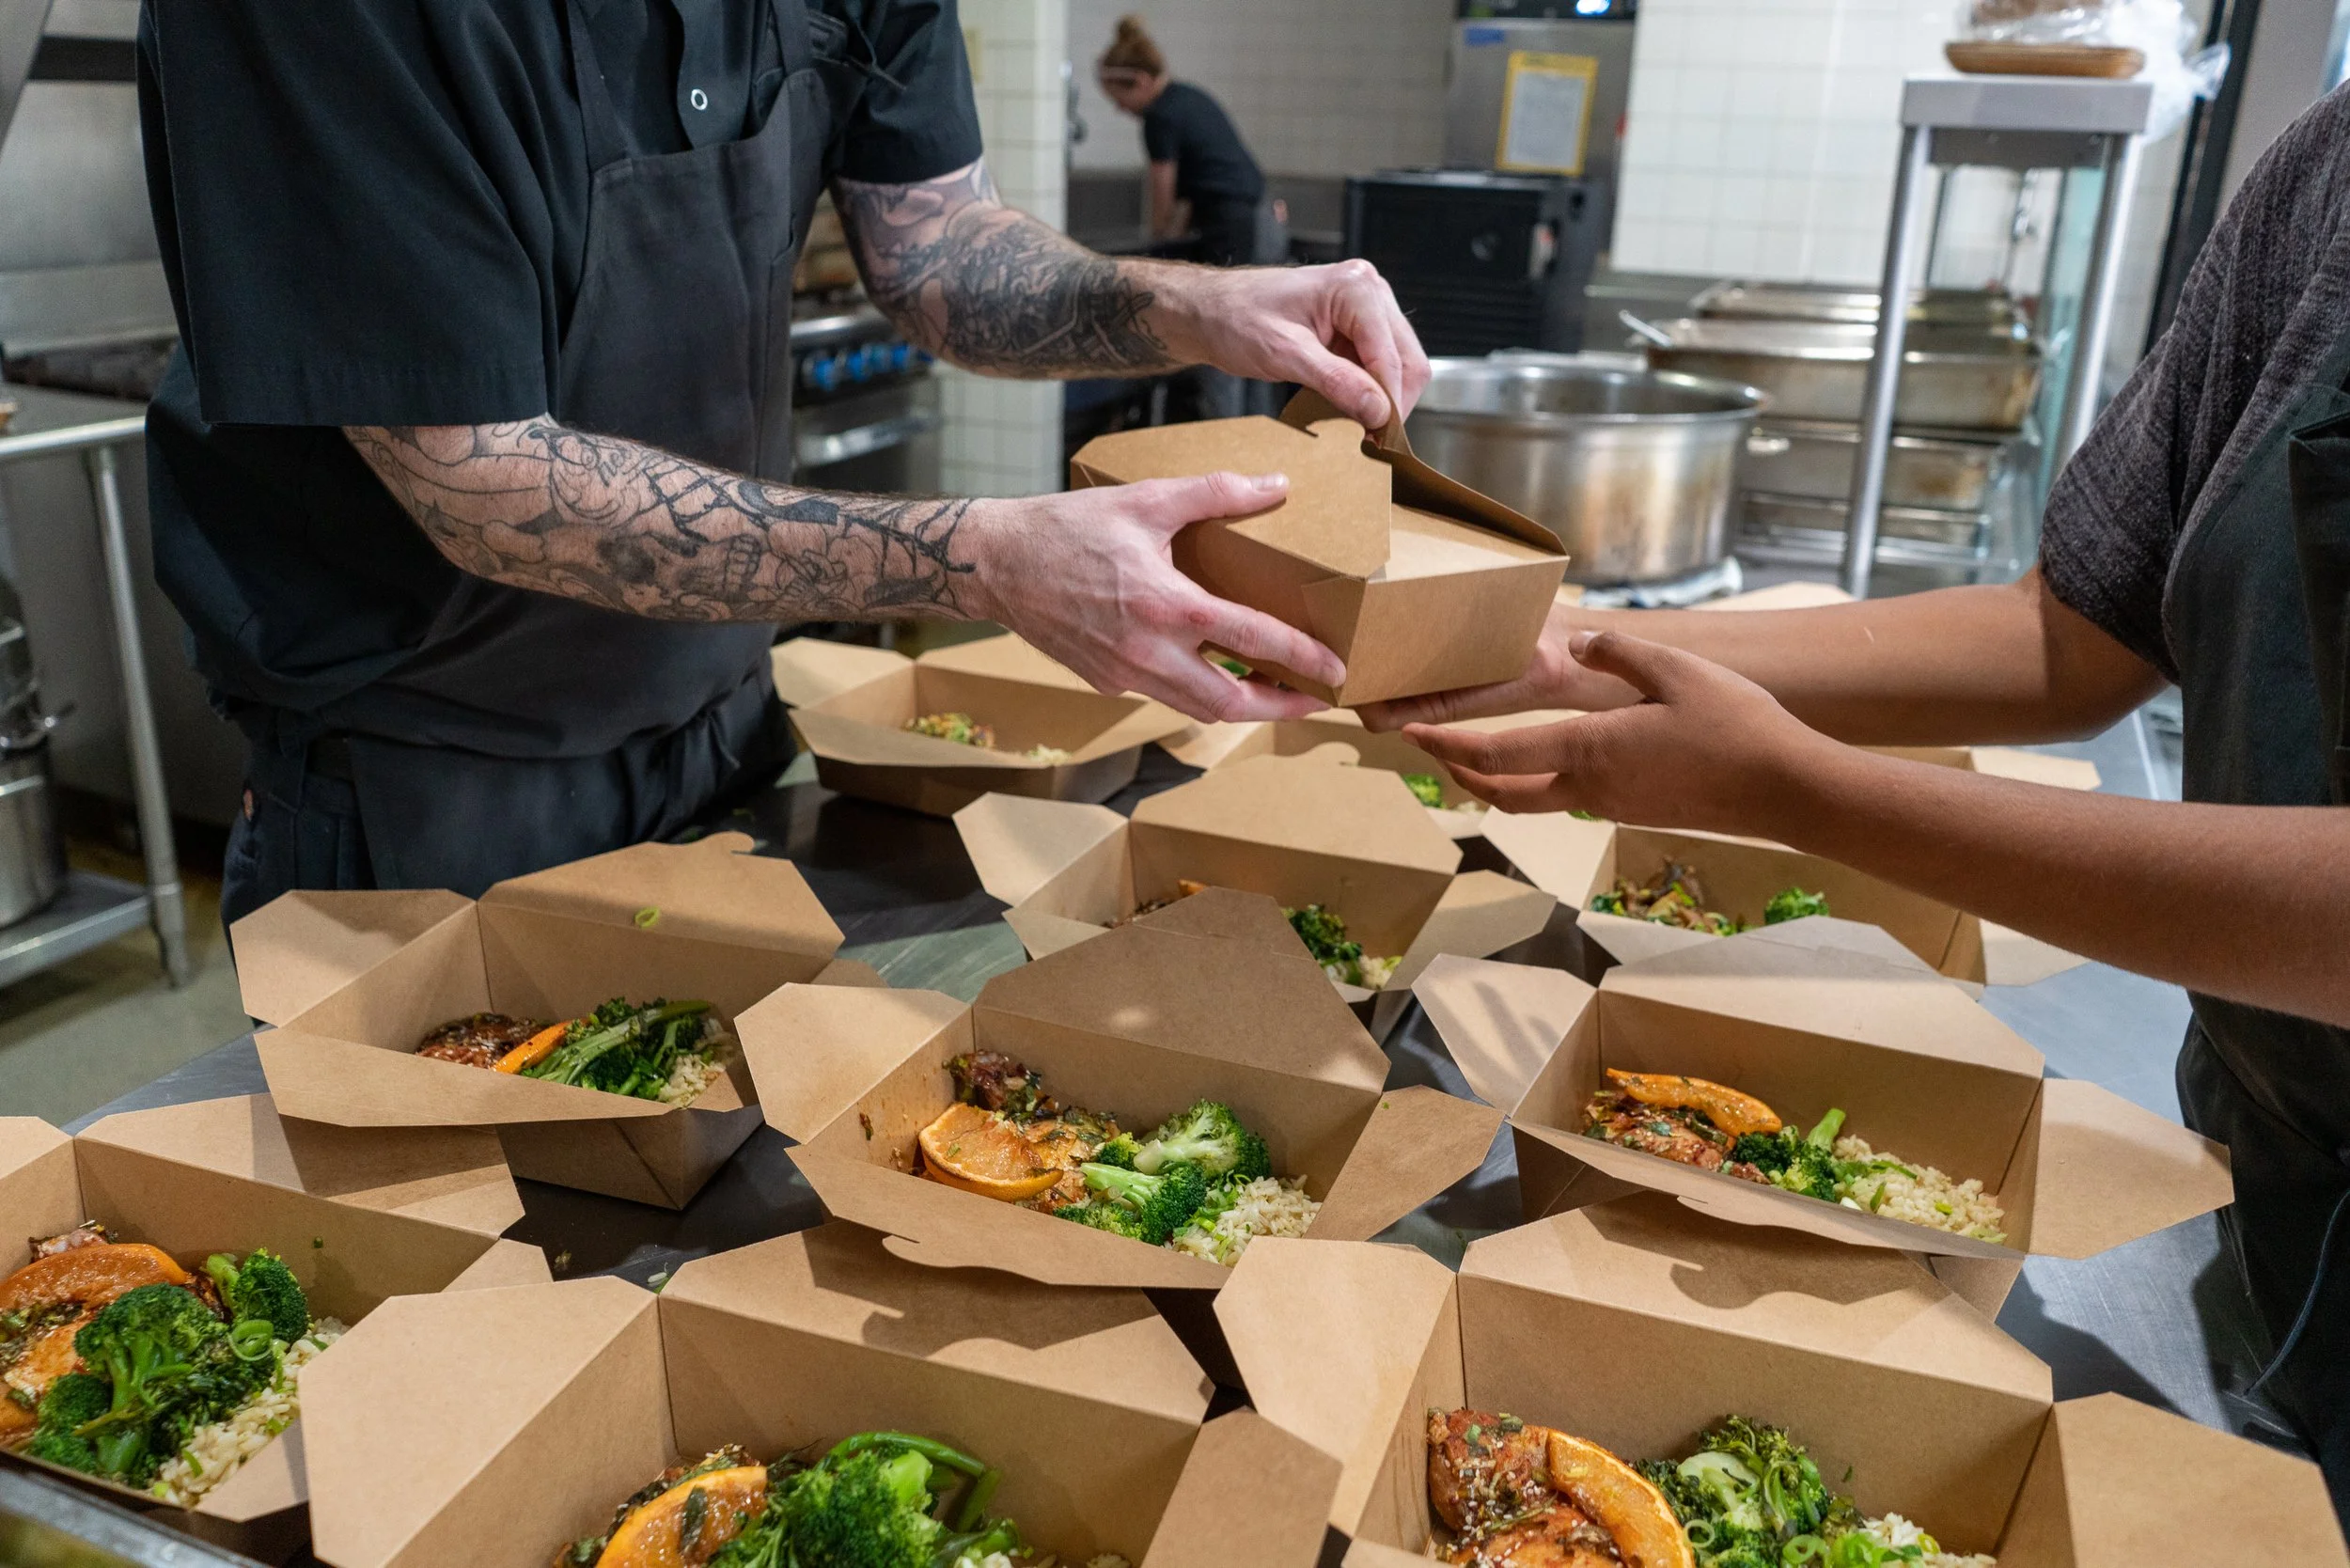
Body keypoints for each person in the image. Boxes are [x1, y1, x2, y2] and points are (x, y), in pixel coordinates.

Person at [1363, 86, 2350, 1525]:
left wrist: (1793, 788)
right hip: (2255, 1167)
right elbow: (2071, 632)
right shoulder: (2323, 176)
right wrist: (1570, 653)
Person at [133, 0, 1428, 926]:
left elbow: (935, 251)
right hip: (426, 779)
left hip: (722, 728)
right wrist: (981, 561)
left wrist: (1187, 307)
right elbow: (480, 482)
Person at [1096, 16, 1271, 269]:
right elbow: (1192, 188)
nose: (1119, 109)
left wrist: (1154, 247)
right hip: (1249, 211)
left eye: (1120, 99)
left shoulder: (1159, 117)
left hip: (1229, 219)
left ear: (1142, 82)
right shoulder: (1186, 96)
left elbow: (1162, 192)